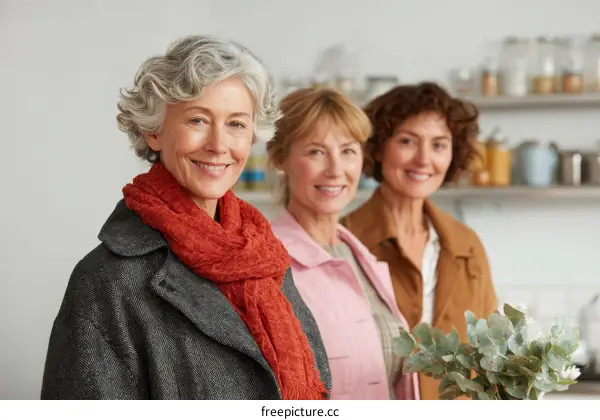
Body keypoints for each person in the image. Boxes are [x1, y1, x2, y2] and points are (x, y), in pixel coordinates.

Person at [40, 35, 331, 400]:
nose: (219, 145)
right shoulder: (106, 281)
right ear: (154, 130)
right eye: (198, 119)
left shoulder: (264, 257)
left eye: (237, 124)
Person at [340, 81, 498, 400]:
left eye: (439, 145)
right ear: (379, 147)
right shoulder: (343, 240)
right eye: (408, 141)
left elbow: (490, 353)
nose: (424, 159)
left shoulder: (467, 245)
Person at [266, 87, 419, 400]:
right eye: (316, 152)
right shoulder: (267, 263)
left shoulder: (359, 255)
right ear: (280, 158)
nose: (336, 170)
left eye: (348, 151)